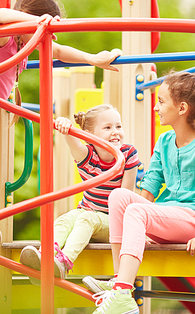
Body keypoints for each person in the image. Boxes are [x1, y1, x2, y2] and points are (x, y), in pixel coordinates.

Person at [0, 0, 121, 282]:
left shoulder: (26, 46)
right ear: (30, 19)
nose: (44, 41)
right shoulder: (5, 37)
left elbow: (58, 52)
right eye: (42, 29)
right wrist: (35, 22)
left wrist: (94, 59)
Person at [82, 69, 195, 314]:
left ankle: (121, 293)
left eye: (161, 101)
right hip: (171, 216)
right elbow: (149, 188)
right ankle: (120, 281)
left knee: (136, 211)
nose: (156, 107)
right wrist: (136, 221)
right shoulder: (164, 142)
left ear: (182, 108)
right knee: (119, 196)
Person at [19, 104, 141, 283]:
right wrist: (66, 128)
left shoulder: (128, 154)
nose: (115, 131)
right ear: (91, 135)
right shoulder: (88, 156)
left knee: (87, 219)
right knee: (65, 219)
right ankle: (45, 256)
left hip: (114, 221)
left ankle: (63, 263)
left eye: (118, 126)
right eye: (107, 127)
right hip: (88, 211)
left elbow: (124, 197)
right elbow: (72, 142)